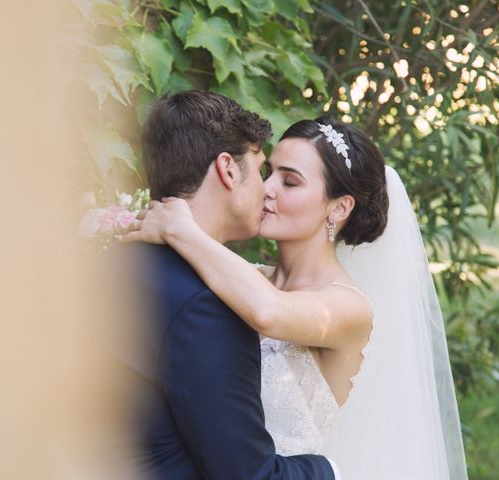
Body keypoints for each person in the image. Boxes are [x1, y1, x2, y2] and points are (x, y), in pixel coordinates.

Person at [122, 115, 469, 479]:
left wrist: (182, 229)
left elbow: (269, 312)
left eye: (289, 181)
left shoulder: (348, 307)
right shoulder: (243, 277)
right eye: (267, 172)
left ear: (339, 208)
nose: (266, 189)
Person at [116, 90, 340, 479]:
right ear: (228, 169)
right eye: (259, 170)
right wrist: (330, 470)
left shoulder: (114, 263)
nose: (266, 190)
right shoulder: (208, 307)